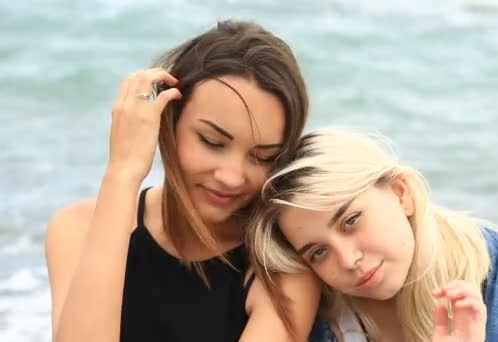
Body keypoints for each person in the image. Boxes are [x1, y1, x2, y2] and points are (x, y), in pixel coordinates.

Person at [45, 20, 321, 342]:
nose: (231, 177)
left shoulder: (280, 271)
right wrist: (123, 171)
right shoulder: (76, 229)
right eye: (211, 141)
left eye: (262, 157)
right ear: (168, 119)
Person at [247, 128, 498, 342]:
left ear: (401, 192)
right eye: (318, 252)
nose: (348, 260)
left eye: (351, 221)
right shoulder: (320, 320)